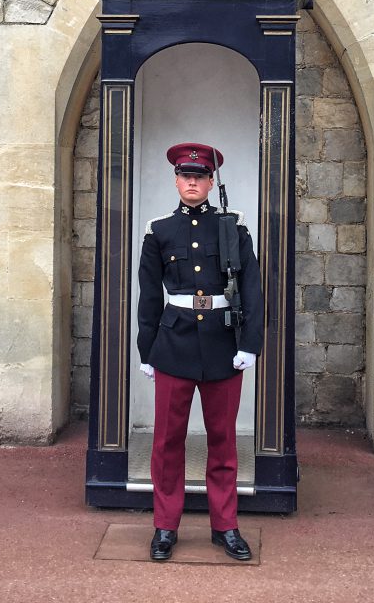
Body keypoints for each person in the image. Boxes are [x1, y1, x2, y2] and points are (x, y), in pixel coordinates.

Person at [137, 142, 264, 562]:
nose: (192, 182)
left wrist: (250, 344)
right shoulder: (159, 231)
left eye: (200, 176)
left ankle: (225, 526)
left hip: (223, 345)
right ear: (176, 180)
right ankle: (165, 526)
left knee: (223, 441)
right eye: (186, 175)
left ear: (211, 182)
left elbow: (252, 289)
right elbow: (150, 296)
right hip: (173, 345)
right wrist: (146, 349)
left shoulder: (233, 228)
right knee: (167, 442)